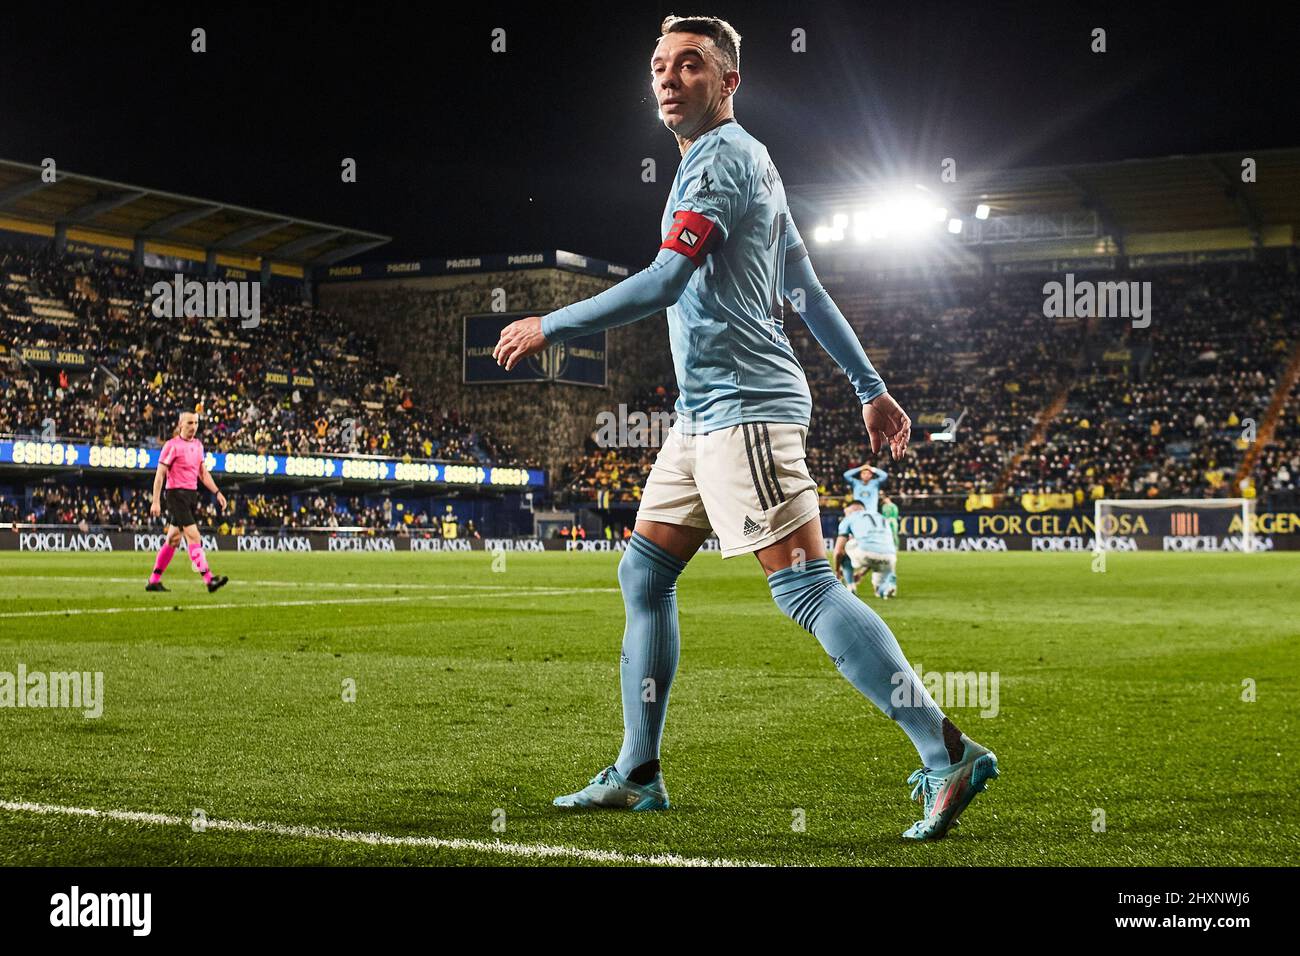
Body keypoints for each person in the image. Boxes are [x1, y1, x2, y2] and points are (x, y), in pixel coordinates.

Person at [492, 14, 996, 840]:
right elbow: (808, 288)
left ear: (728, 82)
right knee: (644, 577)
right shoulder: (750, 164)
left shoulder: (722, 163)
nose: (667, 77)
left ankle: (948, 753)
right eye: (658, 65)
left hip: (745, 412)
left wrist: (551, 323)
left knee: (804, 587)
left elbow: (661, 284)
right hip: (703, 418)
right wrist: (870, 388)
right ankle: (638, 770)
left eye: (689, 65)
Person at [146, 411, 228, 593]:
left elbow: (203, 474)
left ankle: (154, 580)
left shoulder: (198, 446)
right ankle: (209, 579)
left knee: (173, 539)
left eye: (196, 423)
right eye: (190, 423)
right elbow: (160, 474)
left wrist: (217, 492)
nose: (194, 426)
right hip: (175, 495)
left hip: (191, 495)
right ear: (180, 424)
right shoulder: (171, 445)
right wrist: (156, 501)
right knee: (194, 536)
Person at [834, 500, 898, 599]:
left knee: (845, 549)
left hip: (866, 553)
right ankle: (884, 590)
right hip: (890, 556)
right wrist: (861, 573)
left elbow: (838, 551)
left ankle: (850, 587)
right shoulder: (880, 516)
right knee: (879, 587)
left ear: (849, 509)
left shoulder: (850, 517)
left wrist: (837, 571)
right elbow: (876, 551)